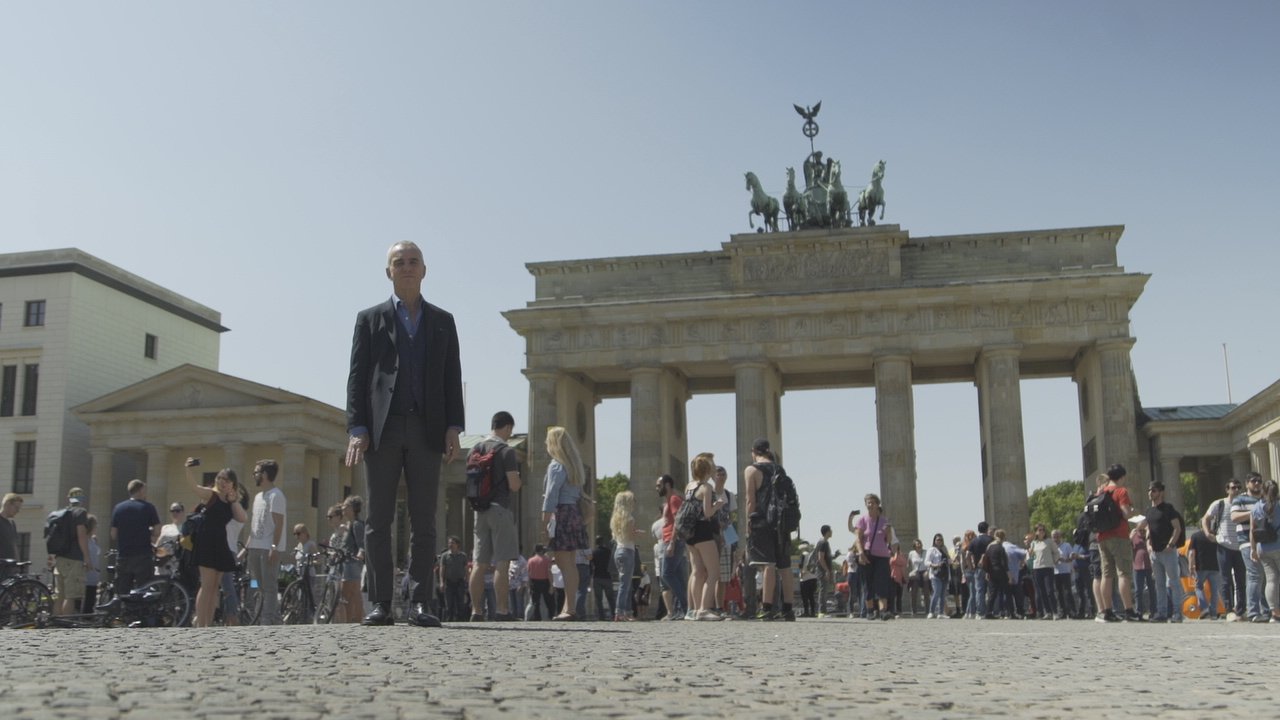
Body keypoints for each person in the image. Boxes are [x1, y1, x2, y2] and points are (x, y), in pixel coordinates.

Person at [345, 240, 465, 628]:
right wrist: (357, 427)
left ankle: (419, 602)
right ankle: (380, 602)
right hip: (383, 430)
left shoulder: (443, 320)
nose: (407, 267)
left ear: (424, 270)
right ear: (389, 272)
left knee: (424, 518)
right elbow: (357, 377)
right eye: (399, 262)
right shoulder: (370, 318)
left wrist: (453, 426)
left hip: (427, 429)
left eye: (413, 262)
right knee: (379, 519)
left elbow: (451, 376)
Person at [468, 410, 522, 622]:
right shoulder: (506, 451)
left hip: (479, 510)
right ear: (507, 427)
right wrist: (519, 480)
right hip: (500, 508)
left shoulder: (475, 448)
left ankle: (476, 611)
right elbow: (514, 485)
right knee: (502, 561)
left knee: (479, 564)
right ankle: (501, 610)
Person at [186, 460, 247, 628]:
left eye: (226, 480)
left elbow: (242, 518)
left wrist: (233, 500)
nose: (221, 482)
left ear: (233, 484)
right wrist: (188, 470)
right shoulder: (211, 495)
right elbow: (195, 488)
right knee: (206, 585)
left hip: (221, 543)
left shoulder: (230, 502)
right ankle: (201, 624)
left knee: (214, 588)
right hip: (206, 541)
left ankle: (208, 623)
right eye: (220, 478)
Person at [541, 426, 588, 620]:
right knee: (571, 563)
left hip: (562, 513)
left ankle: (569, 609)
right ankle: (570, 607)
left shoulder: (556, 465)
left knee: (563, 562)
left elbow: (551, 495)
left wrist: (544, 523)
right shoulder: (573, 465)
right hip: (574, 513)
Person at [745, 438, 796, 621]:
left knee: (768, 565)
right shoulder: (779, 469)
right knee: (785, 566)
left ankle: (767, 607)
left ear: (754, 452)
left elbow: (751, 500)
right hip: (781, 521)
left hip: (762, 521)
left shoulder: (752, 470)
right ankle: (788, 608)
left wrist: (748, 522)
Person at [1094, 465, 1139, 622]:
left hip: (1102, 536)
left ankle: (1107, 611)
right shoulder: (1121, 491)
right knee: (1124, 573)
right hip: (1119, 536)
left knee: (1107, 574)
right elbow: (1126, 513)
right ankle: (1128, 610)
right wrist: (1134, 512)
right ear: (1121, 477)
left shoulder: (1100, 492)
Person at [686, 452, 727, 621]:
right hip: (703, 532)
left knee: (697, 571)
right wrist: (717, 505)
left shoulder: (689, 486)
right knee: (714, 572)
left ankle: (695, 609)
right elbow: (707, 512)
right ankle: (704, 608)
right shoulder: (706, 488)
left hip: (689, 533)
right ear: (707, 470)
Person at [246, 459, 286, 625]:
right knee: (257, 585)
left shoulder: (276, 495)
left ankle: (266, 620)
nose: (254, 475)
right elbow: (255, 526)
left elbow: (279, 524)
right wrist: (246, 549)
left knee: (269, 586)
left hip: (268, 549)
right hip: (254, 548)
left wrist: (274, 547)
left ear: (264, 474)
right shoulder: (257, 497)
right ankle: (273, 619)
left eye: (256, 472)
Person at [110, 479, 162, 594]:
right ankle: (141, 611)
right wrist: (151, 536)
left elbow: (113, 534)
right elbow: (157, 530)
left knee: (122, 591)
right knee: (144, 589)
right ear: (141, 490)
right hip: (143, 555)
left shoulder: (118, 508)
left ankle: (124, 611)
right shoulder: (148, 507)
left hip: (123, 555)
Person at [1230, 473, 1270, 622]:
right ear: (1247, 484)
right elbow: (1234, 517)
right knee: (1254, 575)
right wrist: (1255, 511)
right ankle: (1253, 611)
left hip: (1265, 542)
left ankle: (1267, 611)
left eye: (1259, 481)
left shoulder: (1265, 499)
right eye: (1254, 481)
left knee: (1266, 577)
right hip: (1246, 541)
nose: (1257, 483)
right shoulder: (1239, 499)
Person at [1204, 478, 1245, 619]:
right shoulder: (1219, 503)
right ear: (1227, 489)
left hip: (1241, 546)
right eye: (1233, 487)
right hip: (1224, 545)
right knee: (1226, 579)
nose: (1237, 490)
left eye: (1239, 487)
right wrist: (1208, 533)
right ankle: (1228, 610)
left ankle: (1241, 609)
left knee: (1241, 580)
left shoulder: (1244, 502)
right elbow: (1206, 518)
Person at [1144, 480, 1185, 622]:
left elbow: (1177, 528)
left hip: (1168, 552)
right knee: (1159, 584)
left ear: (1161, 492)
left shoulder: (1168, 508)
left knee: (1174, 583)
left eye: (1154, 490)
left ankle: (1177, 613)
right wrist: (1148, 544)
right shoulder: (1149, 511)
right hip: (1155, 553)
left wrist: (1171, 544)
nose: (1151, 493)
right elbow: (1148, 528)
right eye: (1149, 490)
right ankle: (1161, 613)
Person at [852, 493, 894, 621]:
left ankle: (883, 611)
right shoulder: (862, 520)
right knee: (868, 583)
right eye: (868, 502)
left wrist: (888, 531)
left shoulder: (884, 521)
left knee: (882, 583)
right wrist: (861, 553)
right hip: (867, 555)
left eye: (872, 502)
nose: (870, 504)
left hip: (882, 555)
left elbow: (888, 540)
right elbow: (858, 539)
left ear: (877, 504)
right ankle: (870, 611)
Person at [50, 487, 91, 616]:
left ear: (69, 498)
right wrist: (86, 557)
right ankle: (66, 624)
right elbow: (81, 536)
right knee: (70, 596)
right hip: (74, 558)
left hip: (60, 557)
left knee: (59, 596)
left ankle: (56, 623)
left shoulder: (59, 513)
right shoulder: (80, 512)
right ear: (82, 499)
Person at [655, 474, 687, 620]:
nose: (657, 488)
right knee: (678, 577)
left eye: (658, 485)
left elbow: (677, 522)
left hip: (672, 541)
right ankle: (684, 609)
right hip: (673, 541)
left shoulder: (673, 499)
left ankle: (685, 606)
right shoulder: (671, 499)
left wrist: (672, 543)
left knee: (666, 574)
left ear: (667, 485)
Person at [1249, 479, 1280, 623]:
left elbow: (1252, 530)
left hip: (1263, 547)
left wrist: (1253, 549)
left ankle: (1274, 613)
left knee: (1271, 580)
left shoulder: (1256, 507)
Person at [340, 496, 367, 623]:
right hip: (348, 563)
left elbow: (361, 543)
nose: (342, 508)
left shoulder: (356, 524)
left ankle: (355, 620)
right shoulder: (350, 524)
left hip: (353, 563)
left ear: (351, 508)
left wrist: (361, 552)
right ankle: (351, 620)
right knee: (349, 594)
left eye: (345, 506)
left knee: (352, 593)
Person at [1186, 527, 1222, 620]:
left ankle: (1204, 608)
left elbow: (1191, 553)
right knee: (1214, 591)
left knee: (1198, 587)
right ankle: (1213, 613)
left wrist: (1191, 566)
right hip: (1215, 566)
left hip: (1200, 567)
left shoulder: (1196, 536)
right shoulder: (1216, 536)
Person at [1028, 524, 1059, 620]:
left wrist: (1054, 561)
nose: (1042, 531)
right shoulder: (1033, 543)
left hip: (1048, 567)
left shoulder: (1049, 541)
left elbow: (1056, 552)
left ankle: (1055, 612)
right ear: (1036, 532)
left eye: (1043, 530)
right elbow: (1031, 556)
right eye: (1039, 530)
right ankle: (1048, 612)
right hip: (1037, 568)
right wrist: (1030, 554)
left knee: (1050, 590)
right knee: (1041, 592)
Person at [436, 536, 469, 622]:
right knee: (449, 604)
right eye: (449, 543)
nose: (450, 545)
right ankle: (449, 620)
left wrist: (467, 580)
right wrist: (441, 582)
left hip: (460, 582)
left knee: (460, 603)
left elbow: (466, 569)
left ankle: (460, 620)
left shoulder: (463, 556)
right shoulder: (445, 556)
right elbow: (442, 570)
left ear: (457, 544)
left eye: (452, 543)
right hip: (449, 582)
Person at [525, 544, 554, 621]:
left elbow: (528, 574)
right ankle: (550, 617)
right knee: (549, 601)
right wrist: (551, 585)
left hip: (534, 582)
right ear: (541, 550)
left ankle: (536, 617)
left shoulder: (530, 560)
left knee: (535, 602)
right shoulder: (547, 559)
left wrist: (528, 586)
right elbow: (549, 573)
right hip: (545, 581)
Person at [926, 533, 951, 619]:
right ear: (934, 541)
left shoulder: (944, 549)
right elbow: (927, 562)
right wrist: (935, 565)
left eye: (941, 540)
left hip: (945, 574)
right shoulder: (931, 550)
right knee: (936, 592)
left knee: (943, 594)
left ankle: (940, 613)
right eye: (937, 540)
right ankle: (931, 611)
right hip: (936, 574)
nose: (939, 541)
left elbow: (949, 560)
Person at [590, 535, 615, 621]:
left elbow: (591, 564)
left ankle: (601, 616)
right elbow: (612, 563)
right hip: (607, 577)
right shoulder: (608, 552)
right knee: (611, 598)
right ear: (603, 542)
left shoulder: (594, 552)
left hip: (597, 577)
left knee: (598, 599)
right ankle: (613, 615)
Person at [814, 525, 834, 617]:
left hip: (823, 570)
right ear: (827, 532)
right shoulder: (823, 543)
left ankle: (823, 611)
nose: (832, 532)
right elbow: (820, 558)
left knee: (824, 591)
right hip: (822, 570)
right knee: (823, 591)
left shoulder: (825, 542)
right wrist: (826, 570)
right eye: (830, 530)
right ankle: (821, 611)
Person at [82, 515, 101, 613]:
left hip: (94, 573)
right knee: (86, 599)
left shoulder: (93, 540)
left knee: (91, 599)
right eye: (95, 525)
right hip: (87, 573)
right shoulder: (84, 540)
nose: (96, 527)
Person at [0, 493, 22, 571]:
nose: (18, 511)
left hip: (10, 568)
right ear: (7, 504)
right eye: (16, 507)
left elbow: (14, 546)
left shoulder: (12, 524)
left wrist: (18, 564)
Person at [906, 538, 927, 617]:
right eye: (917, 544)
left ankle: (927, 610)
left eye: (920, 543)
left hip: (924, 572)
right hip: (915, 573)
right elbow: (908, 564)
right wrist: (910, 572)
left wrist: (927, 571)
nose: (919, 545)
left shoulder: (926, 552)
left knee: (926, 592)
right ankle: (913, 611)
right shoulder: (911, 553)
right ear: (914, 545)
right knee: (913, 593)